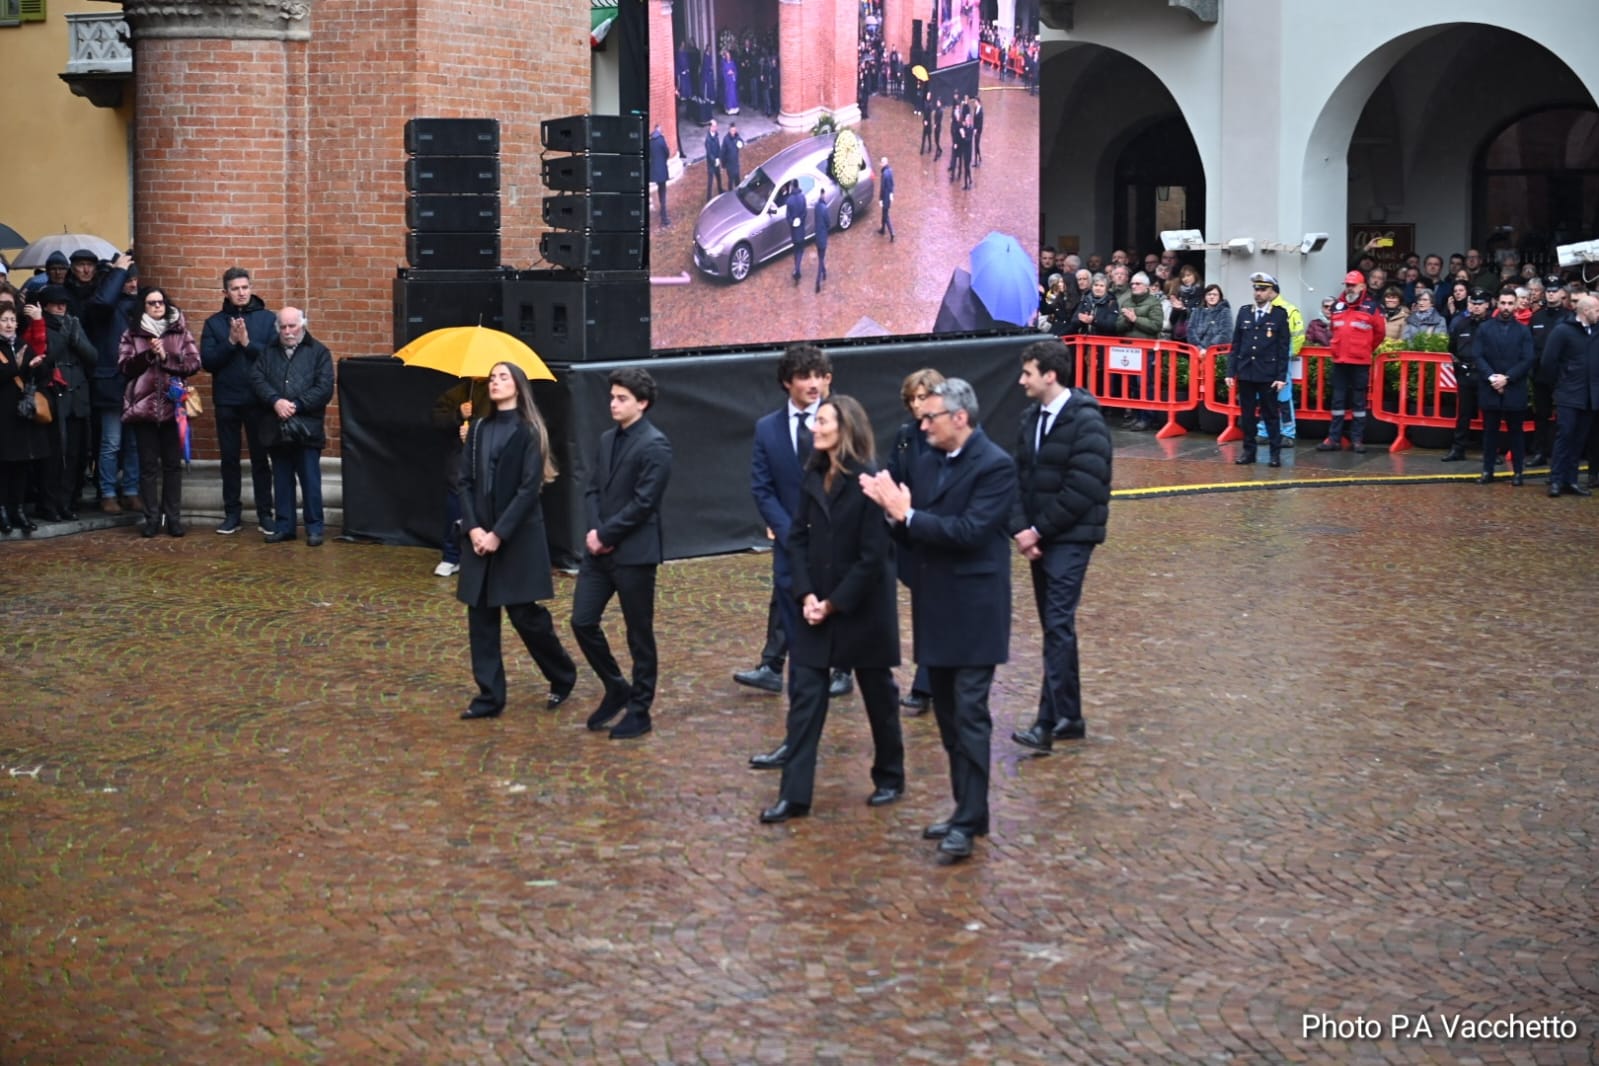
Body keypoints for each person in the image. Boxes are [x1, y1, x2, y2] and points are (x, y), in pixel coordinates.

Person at [860, 379, 1018, 863]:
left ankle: (968, 822)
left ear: (960, 418)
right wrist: (894, 519)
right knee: (949, 717)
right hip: (936, 610)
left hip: (975, 615)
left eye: (931, 417)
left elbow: (969, 532)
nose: (922, 425)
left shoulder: (995, 466)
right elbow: (920, 533)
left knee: (969, 716)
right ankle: (968, 809)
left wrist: (906, 516)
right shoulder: (928, 461)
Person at [758, 395, 906, 823]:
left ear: (846, 429)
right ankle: (795, 794)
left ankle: (890, 775)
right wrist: (805, 594)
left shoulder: (870, 481)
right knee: (805, 698)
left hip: (861, 610)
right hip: (816, 606)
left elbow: (873, 557)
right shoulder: (812, 475)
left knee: (878, 695)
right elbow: (798, 537)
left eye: (823, 422)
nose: (814, 428)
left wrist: (835, 603)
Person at [746, 346, 852, 768]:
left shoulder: (842, 423)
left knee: (839, 609)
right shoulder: (767, 429)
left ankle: (843, 668)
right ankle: (795, 723)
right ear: (788, 381)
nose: (813, 383)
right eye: (805, 376)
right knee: (792, 611)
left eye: (819, 375)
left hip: (836, 542)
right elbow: (762, 486)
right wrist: (790, 531)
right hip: (792, 544)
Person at [456, 362, 578, 720]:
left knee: (526, 616)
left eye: (502, 377)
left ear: (518, 386)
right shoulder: (477, 430)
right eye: (492, 378)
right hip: (479, 535)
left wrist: (498, 534)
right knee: (481, 618)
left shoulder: (529, 432)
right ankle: (489, 697)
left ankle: (562, 674)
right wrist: (474, 529)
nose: (495, 382)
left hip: (517, 537)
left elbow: (528, 490)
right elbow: (463, 482)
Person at [1007, 340, 1111, 753]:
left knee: (1057, 624)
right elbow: (1017, 477)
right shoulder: (1030, 418)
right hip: (1041, 537)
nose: (1021, 381)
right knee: (1057, 626)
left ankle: (1048, 721)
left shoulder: (1086, 421)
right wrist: (1021, 529)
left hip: (1072, 538)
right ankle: (1070, 715)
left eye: (1027, 373)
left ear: (1049, 375)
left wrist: (1038, 531)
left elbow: (1084, 486)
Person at [571, 367, 673, 740]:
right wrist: (597, 532)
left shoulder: (655, 445)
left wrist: (608, 534)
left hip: (634, 554)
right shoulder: (605, 440)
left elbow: (645, 503)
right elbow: (592, 487)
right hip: (600, 553)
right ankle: (616, 685)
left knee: (639, 634)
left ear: (642, 403)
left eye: (622, 398)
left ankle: (640, 710)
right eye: (612, 397)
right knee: (582, 621)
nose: (613, 404)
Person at [118, 288, 201, 537]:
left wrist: (165, 358)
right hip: (143, 408)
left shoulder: (180, 331)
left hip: (172, 408)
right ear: (143, 306)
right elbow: (124, 367)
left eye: (160, 302)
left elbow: (194, 363)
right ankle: (152, 518)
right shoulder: (131, 334)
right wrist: (147, 355)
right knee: (147, 467)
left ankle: (173, 518)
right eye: (151, 303)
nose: (156, 306)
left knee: (173, 466)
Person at [200, 267, 277, 535]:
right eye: (235, 289)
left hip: (258, 400)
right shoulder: (214, 323)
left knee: (260, 459)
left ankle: (265, 514)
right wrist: (231, 342)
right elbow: (208, 362)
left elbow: (274, 359)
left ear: (251, 288)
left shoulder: (268, 320)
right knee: (229, 459)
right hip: (227, 401)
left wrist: (247, 343)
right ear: (226, 292)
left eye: (245, 287)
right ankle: (232, 513)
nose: (241, 293)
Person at [885, 368, 943, 715]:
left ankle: (927, 682)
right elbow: (894, 472)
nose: (918, 405)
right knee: (923, 605)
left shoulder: (946, 434)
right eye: (913, 399)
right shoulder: (906, 436)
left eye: (924, 397)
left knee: (935, 606)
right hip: (910, 533)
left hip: (936, 529)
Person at [251, 307, 334, 546]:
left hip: (306, 427)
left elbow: (324, 387)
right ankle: (284, 526)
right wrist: (275, 401)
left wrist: (296, 405)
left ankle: (314, 528)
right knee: (282, 479)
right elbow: (257, 379)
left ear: (302, 325)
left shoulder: (319, 352)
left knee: (310, 479)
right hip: (276, 427)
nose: (288, 332)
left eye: (292, 326)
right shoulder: (268, 352)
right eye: (283, 327)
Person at [28, 284, 97, 520]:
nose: (61, 307)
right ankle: (49, 503)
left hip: (77, 395)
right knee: (55, 455)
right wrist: (61, 339)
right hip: (54, 396)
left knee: (76, 454)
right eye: (56, 302)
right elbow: (42, 359)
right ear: (45, 305)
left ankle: (66, 502)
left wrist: (75, 338)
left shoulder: (73, 324)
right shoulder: (39, 325)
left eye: (64, 303)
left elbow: (92, 356)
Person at [86, 256, 141, 513]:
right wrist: (117, 270)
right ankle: (107, 491)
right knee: (111, 442)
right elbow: (103, 301)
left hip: (136, 384)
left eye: (134, 279)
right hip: (111, 383)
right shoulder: (103, 307)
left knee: (132, 442)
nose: (132, 284)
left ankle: (131, 490)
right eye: (127, 279)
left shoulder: (137, 306)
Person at [429, 376, 490, 577]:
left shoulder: (499, 393)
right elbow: (437, 418)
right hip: (460, 459)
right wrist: (458, 415)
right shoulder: (461, 391)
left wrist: (474, 433)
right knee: (455, 501)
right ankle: (451, 555)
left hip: (488, 459)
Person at [1471, 290, 1534, 486]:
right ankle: (1487, 470)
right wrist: (1492, 378)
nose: (1506, 307)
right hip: (1490, 386)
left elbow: (1528, 358)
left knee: (1516, 432)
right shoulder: (1485, 328)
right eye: (1503, 303)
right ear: (1497, 303)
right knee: (1490, 432)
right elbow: (1478, 355)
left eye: (1510, 303)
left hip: (1514, 387)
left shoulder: (1523, 330)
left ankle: (1518, 472)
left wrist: (1507, 378)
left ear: (1515, 305)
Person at [1227, 275, 1291, 467]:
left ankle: (1274, 453)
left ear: (1271, 292)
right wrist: (1231, 371)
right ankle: (1249, 451)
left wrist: (1281, 376)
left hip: (1267, 373)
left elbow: (1282, 348)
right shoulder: (1245, 312)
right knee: (1247, 415)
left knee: (1270, 414)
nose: (1258, 293)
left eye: (1263, 289)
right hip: (1247, 371)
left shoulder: (1279, 315)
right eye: (1256, 289)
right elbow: (1236, 344)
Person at [1317, 270, 1383, 453]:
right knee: (1337, 402)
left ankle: (1357, 439)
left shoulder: (1371, 308)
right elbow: (1334, 329)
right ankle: (1334, 438)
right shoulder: (1338, 306)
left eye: (1352, 285)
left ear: (1362, 286)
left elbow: (1380, 333)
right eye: (1347, 285)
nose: (1349, 288)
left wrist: (1364, 348)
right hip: (1340, 361)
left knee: (1359, 403)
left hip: (1360, 362)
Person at [0, 304, 52, 535]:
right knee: (3, 465)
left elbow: (42, 376)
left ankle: (18, 509)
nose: (9, 324)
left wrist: (36, 367)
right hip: (3, 414)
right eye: (4, 320)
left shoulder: (23, 345)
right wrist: (18, 366)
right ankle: (2, 510)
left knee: (21, 464)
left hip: (22, 413)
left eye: (12, 319)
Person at [1541, 293, 1599, 497]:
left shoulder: (1596, 331)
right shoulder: (1563, 331)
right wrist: (1561, 383)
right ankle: (1556, 480)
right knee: (1564, 437)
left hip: (1590, 395)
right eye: (1597, 310)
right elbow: (1548, 361)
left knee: (1579, 440)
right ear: (1585, 311)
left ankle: (1571, 480)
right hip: (1568, 393)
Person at [1441, 290, 1492, 463]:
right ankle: (1458, 448)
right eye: (1473, 303)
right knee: (1463, 414)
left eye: (1479, 304)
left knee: (1489, 414)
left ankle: (1489, 450)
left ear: (1487, 304)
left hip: (1486, 374)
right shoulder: (1461, 324)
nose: (1476, 307)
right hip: (1465, 372)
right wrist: (1458, 368)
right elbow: (1452, 348)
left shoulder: (1493, 325)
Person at [1526, 282, 1573, 467]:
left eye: (1555, 291)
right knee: (1541, 415)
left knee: (1564, 416)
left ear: (1562, 293)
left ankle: (1562, 455)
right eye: (1549, 291)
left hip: (1562, 375)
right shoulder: (1537, 316)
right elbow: (1530, 345)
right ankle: (1540, 452)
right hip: (1541, 374)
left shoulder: (1568, 317)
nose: (1551, 294)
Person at [648, 123, 671, 229]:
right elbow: (667, 153)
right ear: (659, 130)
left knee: (660, 191)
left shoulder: (650, 141)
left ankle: (662, 212)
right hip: (662, 170)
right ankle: (664, 218)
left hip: (655, 172)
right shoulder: (661, 140)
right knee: (663, 195)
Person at [783, 180, 807, 285]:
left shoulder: (789, 200)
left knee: (796, 249)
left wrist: (793, 222)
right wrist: (800, 220)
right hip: (801, 228)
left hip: (794, 230)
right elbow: (805, 212)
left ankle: (797, 269)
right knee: (800, 250)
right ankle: (797, 268)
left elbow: (787, 216)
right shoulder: (802, 198)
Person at [812, 189, 830, 294]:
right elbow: (828, 222)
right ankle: (818, 281)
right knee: (821, 259)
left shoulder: (817, 207)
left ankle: (824, 272)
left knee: (820, 256)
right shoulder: (824, 208)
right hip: (822, 237)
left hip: (817, 236)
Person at [703, 119, 723, 200]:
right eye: (714, 126)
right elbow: (709, 153)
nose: (716, 127)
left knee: (719, 177)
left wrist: (718, 157)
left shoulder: (716, 136)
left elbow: (718, 147)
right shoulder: (708, 139)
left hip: (716, 161)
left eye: (716, 126)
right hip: (711, 163)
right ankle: (708, 197)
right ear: (710, 127)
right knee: (710, 180)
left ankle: (720, 190)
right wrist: (714, 160)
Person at [876, 156, 895, 241]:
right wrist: (891, 193)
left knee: (886, 215)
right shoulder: (890, 171)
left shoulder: (884, 174)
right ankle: (883, 229)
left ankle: (892, 232)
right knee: (884, 213)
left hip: (885, 198)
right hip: (888, 197)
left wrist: (880, 199)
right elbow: (892, 184)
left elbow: (882, 188)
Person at [721, 122, 743, 188]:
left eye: (734, 130)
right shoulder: (726, 139)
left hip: (736, 163)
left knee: (737, 180)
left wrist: (741, 143)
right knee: (730, 181)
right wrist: (723, 165)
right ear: (729, 130)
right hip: (729, 165)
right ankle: (730, 193)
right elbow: (722, 153)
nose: (733, 132)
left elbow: (741, 142)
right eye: (732, 130)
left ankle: (738, 191)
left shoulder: (737, 136)